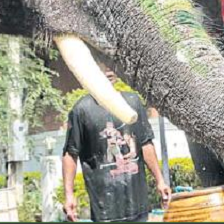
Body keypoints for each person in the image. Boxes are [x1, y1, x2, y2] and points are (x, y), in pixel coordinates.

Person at [62, 69, 171, 222]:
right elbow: (70, 153)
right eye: (101, 67)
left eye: (111, 65)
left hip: (139, 207)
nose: (108, 71)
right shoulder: (81, 110)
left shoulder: (132, 102)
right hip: (105, 210)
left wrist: (160, 181)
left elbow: (145, 143)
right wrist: (69, 195)